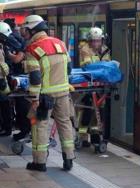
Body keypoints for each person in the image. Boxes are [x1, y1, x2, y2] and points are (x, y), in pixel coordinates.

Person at [22, 15, 75, 172]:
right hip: (64, 93)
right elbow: (69, 70)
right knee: (65, 123)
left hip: (45, 96)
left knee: (40, 126)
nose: (24, 34)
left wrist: (34, 98)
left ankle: (39, 162)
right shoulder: (60, 44)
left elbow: (35, 77)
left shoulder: (33, 49)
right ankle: (69, 159)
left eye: (25, 30)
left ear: (33, 30)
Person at [78, 27, 111, 147]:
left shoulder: (105, 50)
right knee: (87, 110)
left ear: (102, 40)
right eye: (93, 41)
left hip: (100, 84)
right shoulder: (85, 50)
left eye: (98, 40)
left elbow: (107, 66)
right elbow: (88, 66)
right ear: (89, 41)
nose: (95, 43)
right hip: (88, 83)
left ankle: (95, 134)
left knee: (99, 111)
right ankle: (82, 136)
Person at [0, 21, 30, 141]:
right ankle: (16, 128)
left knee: (18, 104)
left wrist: (11, 56)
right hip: (15, 75)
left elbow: (19, 56)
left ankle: (18, 129)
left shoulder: (11, 39)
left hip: (18, 76)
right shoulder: (11, 38)